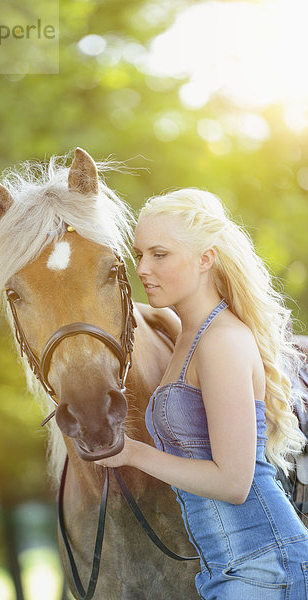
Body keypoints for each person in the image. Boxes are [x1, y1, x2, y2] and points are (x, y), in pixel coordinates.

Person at [96, 188, 308, 599]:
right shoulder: (191, 335)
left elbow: (234, 482)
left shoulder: (222, 342)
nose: (142, 268)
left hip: (265, 567)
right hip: (230, 570)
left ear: (205, 259)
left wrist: (132, 452)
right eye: (139, 254)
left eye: (160, 255)